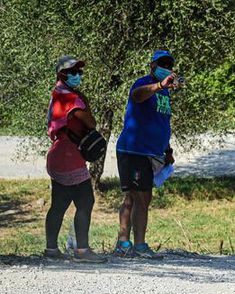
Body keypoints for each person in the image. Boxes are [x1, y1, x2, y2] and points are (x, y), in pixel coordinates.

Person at [114, 50, 178, 259]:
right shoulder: (143, 84)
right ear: (152, 65)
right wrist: (160, 85)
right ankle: (136, 246)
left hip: (152, 151)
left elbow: (161, 122)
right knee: (140, 197)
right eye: (162, 63)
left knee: (135, 197)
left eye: (169, 64)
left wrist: (167, 149)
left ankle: (126, 243)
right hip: (134, 149)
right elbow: (137, 96)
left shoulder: (165, 92)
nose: (166, 66)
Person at [44, 55, 107, 263]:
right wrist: (85, 103)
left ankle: (51, 250)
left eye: (79, 72)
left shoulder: (57, 94)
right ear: (62, 74)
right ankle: (82, 251)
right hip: (69, 156)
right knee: (85, 200)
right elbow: (90, 122)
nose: (78, 75)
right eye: (73, 72)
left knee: (59, 205)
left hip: (58, 154)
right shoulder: (70, 98)